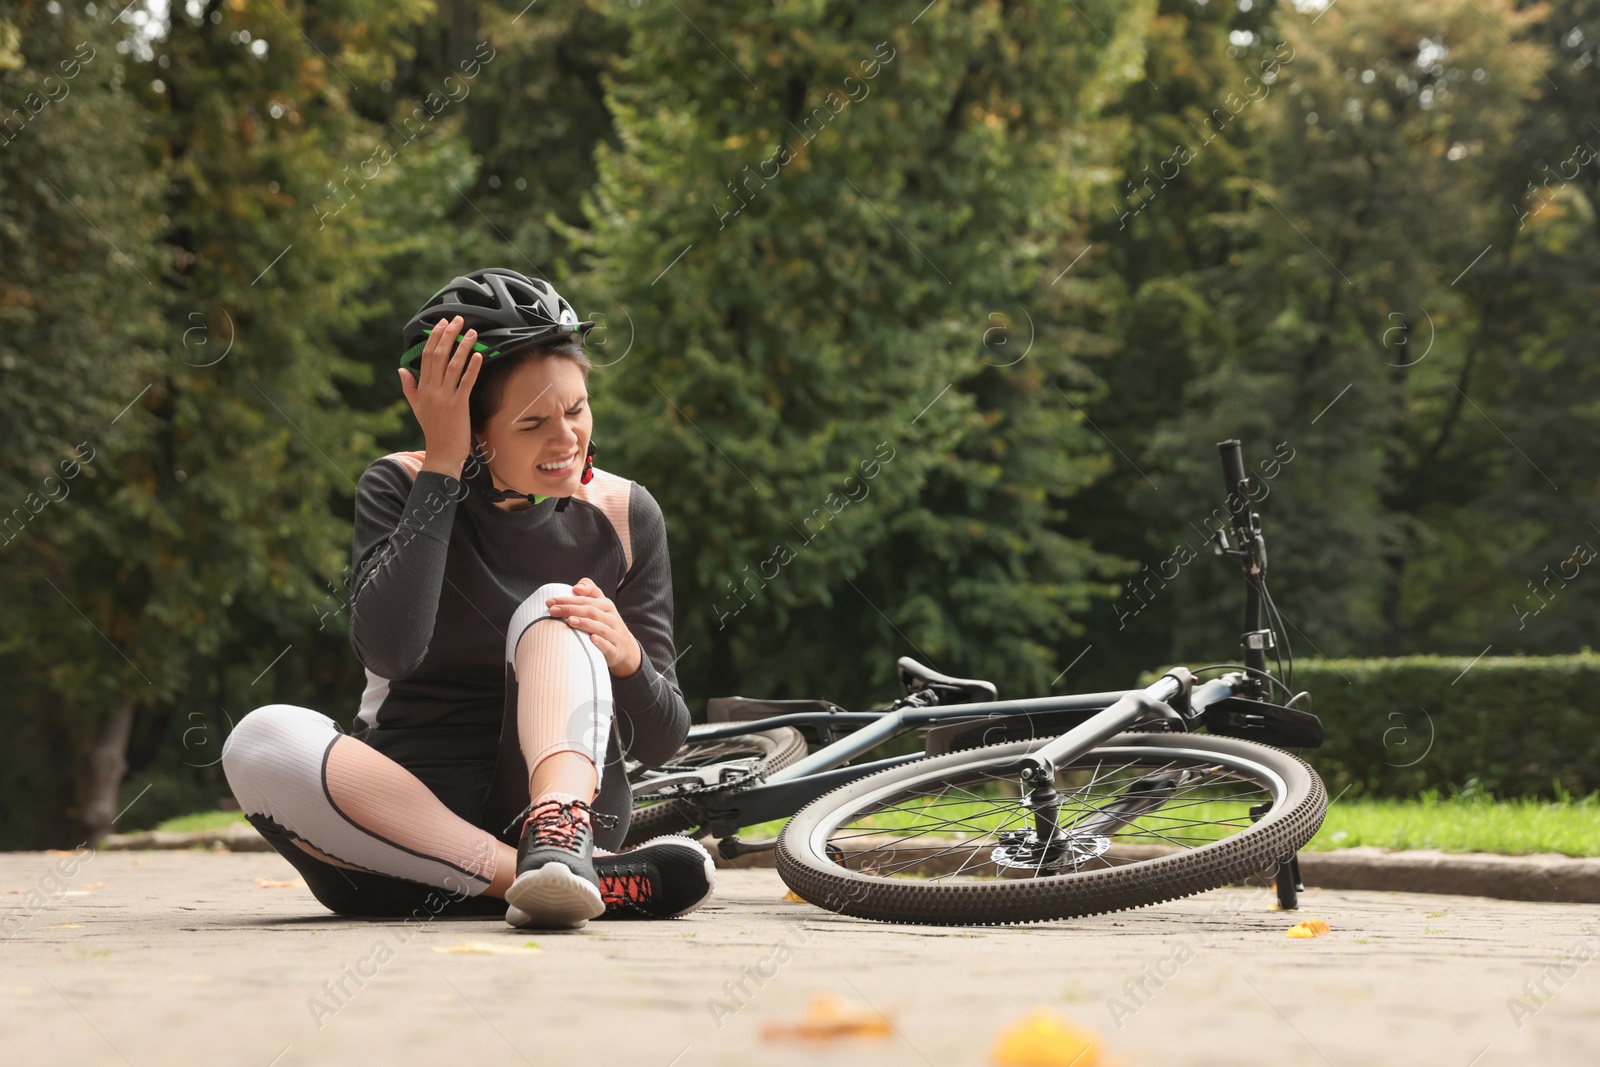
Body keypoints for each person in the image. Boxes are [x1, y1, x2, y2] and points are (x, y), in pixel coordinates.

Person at [220, 268, 713, 930]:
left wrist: (629, 661)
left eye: (576, 409)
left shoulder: (625, 514)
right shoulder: (398, 485)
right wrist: (443, 465)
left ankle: (559, 850)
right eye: (533, 421)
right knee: (260, 737)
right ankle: (549, 879)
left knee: (556, 607)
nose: (567, 438)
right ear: (475, 430)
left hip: (552, 811)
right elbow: (392, 648)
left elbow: (664, 737)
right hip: (400, 833)